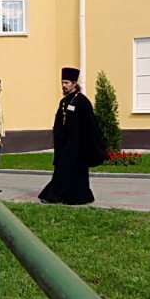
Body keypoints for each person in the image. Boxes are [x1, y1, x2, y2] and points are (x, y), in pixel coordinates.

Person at [38, 67, 109, 205]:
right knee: (66, 169)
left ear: (74, 83)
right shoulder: (64, 102)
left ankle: (54, 195)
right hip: (65, 143)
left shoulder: (82, 101)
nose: (64, 86)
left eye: (66, 83)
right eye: (62, 83)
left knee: (67, 169)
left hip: (78, 144)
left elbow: (90, 124)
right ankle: (76, 196)